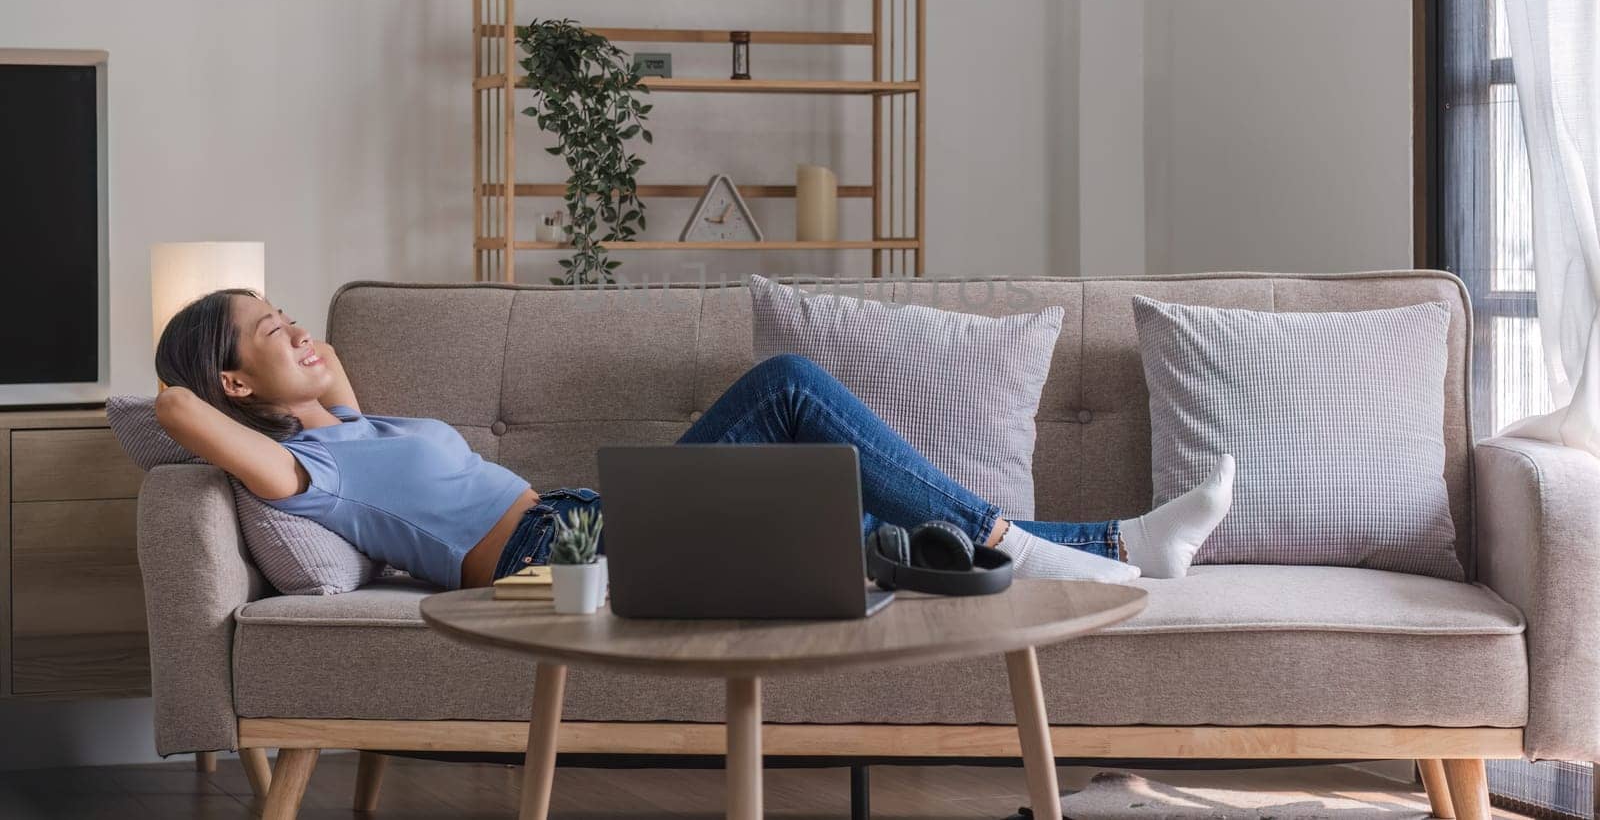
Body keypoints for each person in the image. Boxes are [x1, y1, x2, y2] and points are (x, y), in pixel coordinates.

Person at [154, 288, 1235, 592]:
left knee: (850, 512)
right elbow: (173, 409)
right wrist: (229, 382)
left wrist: (312, 360)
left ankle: (1113, 548)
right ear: (236, 377)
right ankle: (1100, 549)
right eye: (265, 329)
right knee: (789, 387)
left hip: (584, 518)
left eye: (285, 305)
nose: (295, 323)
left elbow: (327, 370)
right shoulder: (310, 472)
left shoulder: (355, 423)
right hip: (556, 554)